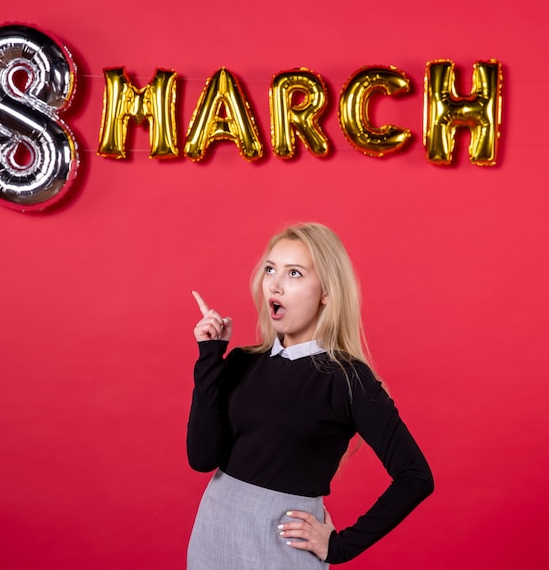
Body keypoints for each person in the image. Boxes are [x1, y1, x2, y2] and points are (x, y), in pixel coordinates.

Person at [186, 223, 434, 569]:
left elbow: (416, 476)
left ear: (326, 292)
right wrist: (210, 356)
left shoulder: (348, 379)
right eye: (271, 269)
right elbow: (201, 458)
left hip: (281, 548)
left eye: (295, 273)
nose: (275, 283)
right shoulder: (242, 362)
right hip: (213, 533)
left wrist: (340, 546)